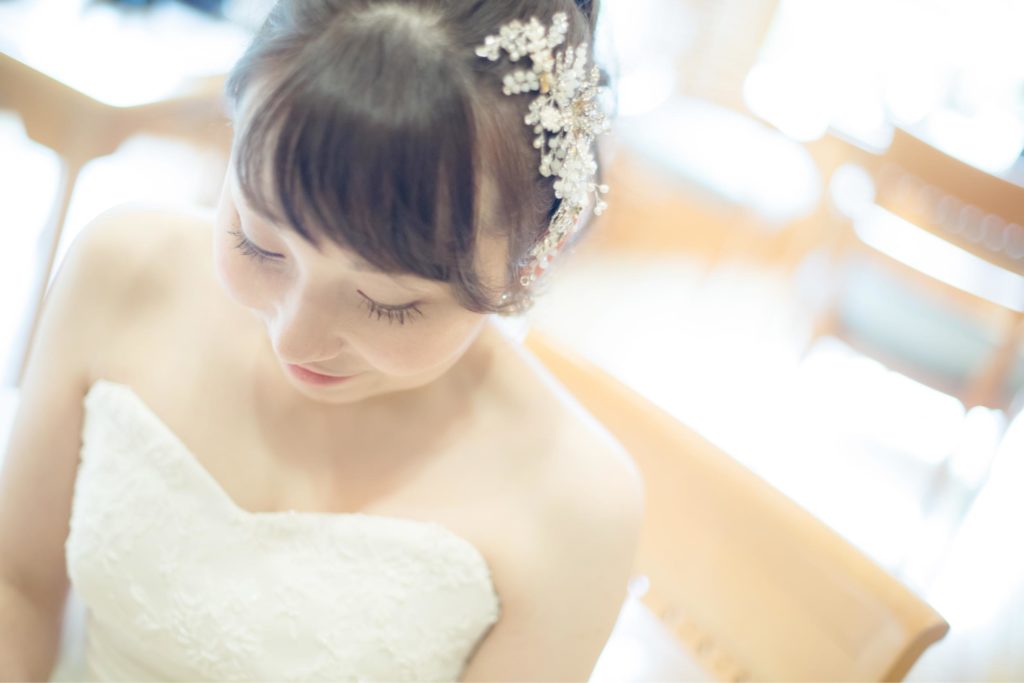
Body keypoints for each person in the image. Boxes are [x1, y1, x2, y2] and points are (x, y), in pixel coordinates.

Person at [0, 0, 645, 680]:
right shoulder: (123, 268)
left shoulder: (573, 504)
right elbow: (16, 584)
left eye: (389, 302)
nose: (294, 338)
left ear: (534, 257)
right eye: (258, 241)